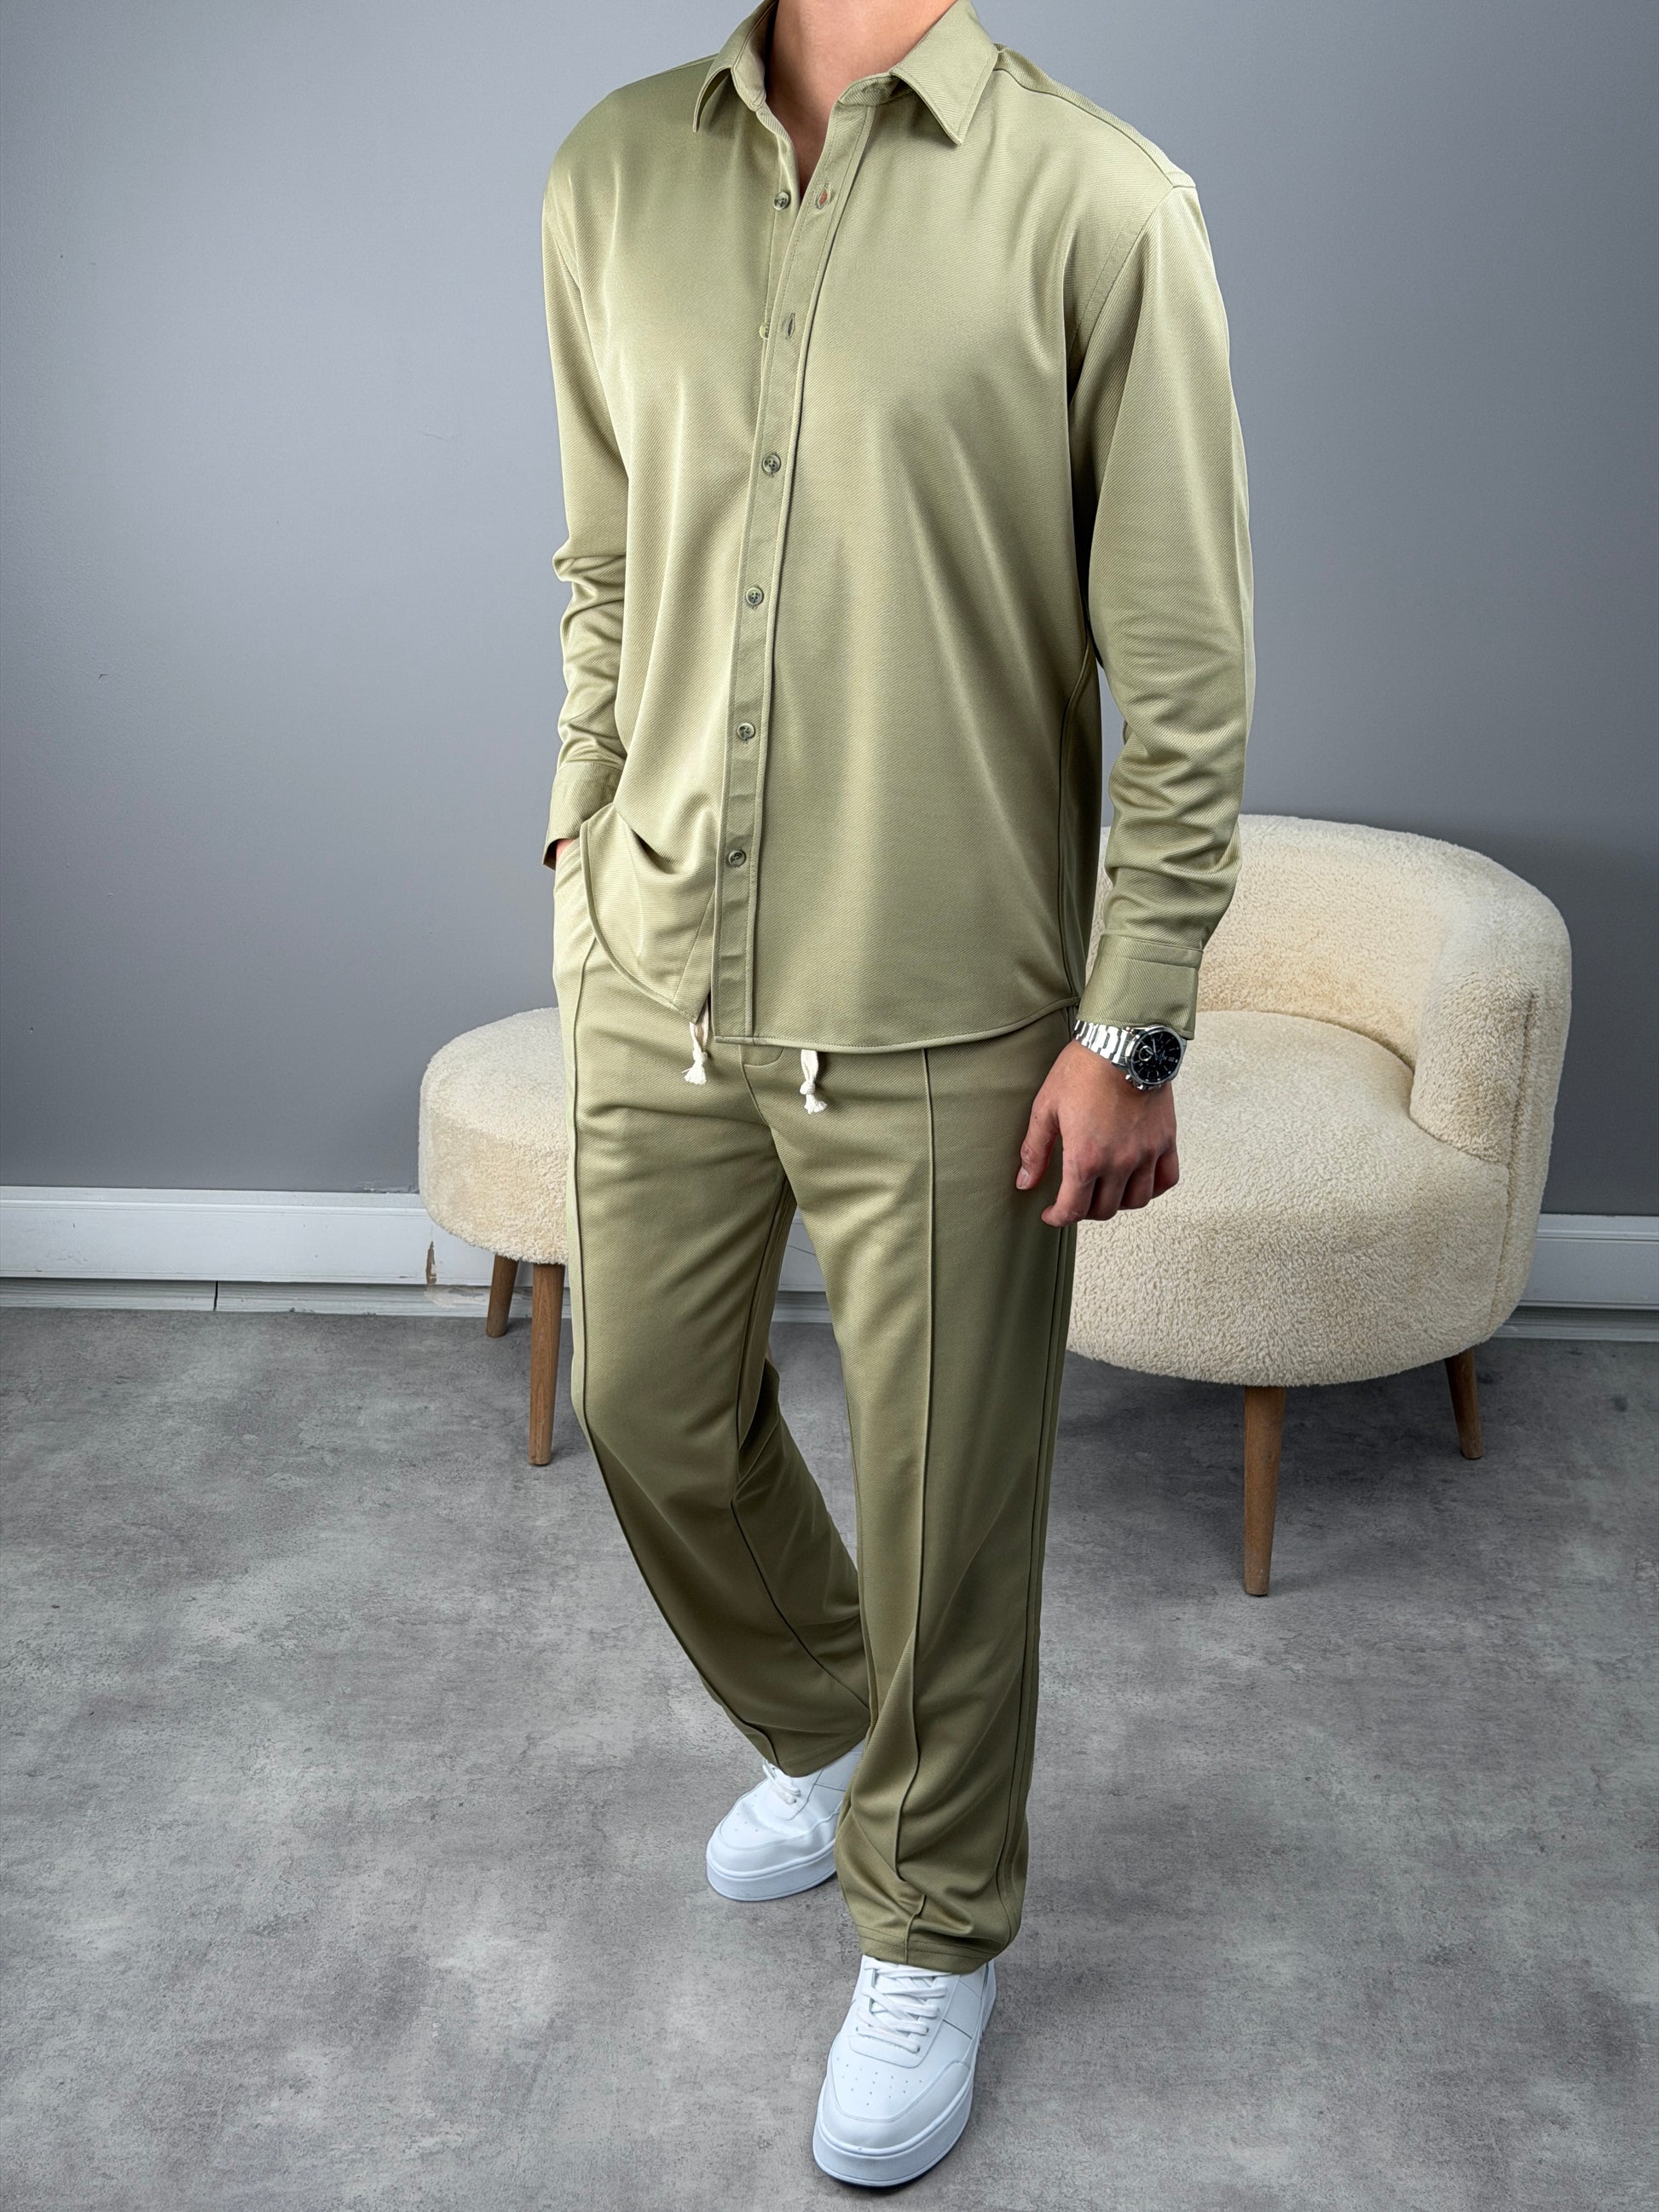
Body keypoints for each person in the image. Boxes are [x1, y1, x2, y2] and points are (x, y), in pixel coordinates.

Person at [538, 0, 1252, 2184]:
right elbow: (606, 558)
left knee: (952, 1514)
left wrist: (1133, 1024)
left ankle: (934, 1917)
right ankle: (848, 1731)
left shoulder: (1102, 204)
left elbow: (1185, 663)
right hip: (654, 959)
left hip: (951, 1004)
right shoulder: (610, 172)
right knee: (651, 1412)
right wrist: (582, 815)